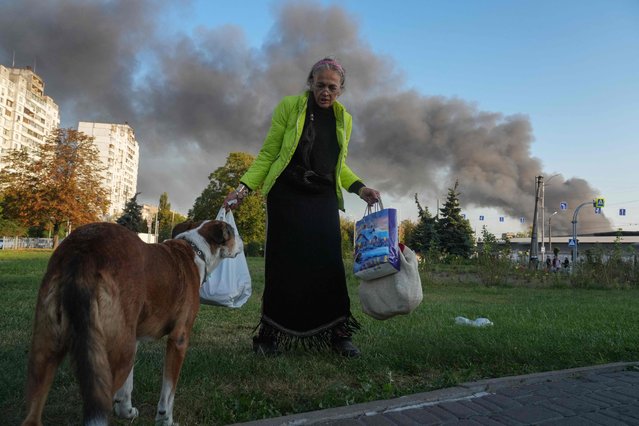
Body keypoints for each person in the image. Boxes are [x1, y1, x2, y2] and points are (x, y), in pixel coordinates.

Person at [224, 57, 380, 358]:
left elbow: (338, 166)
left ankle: (339, 334)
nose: (325, 92)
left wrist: (361, 188)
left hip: (322, 197)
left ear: (341, 89)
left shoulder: (343, 118)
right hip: (287, 194)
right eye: (320, 85)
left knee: (329, 263)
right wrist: (242, 189)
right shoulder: (289, 106)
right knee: (284, 265)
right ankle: (269, 335)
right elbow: (270, 152)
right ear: (311, 83)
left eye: (332, 87)